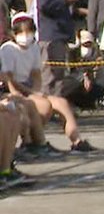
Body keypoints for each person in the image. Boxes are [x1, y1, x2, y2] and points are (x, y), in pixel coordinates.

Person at [0, 13, 96, 153]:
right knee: (43, 105)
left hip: (28, 88)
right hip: (12, 90)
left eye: (29, 32)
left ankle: (77, 141)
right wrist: (28, 93)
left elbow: (36, 74)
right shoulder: (7, 49)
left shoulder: (34, 47)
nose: (25, 36)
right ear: (14, 33)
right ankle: (34, 141)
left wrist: (35, 90)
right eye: (21, 32)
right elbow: (8, 78)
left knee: (61, 103)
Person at [36, 0, 78, 99]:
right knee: (49, 76)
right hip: (50, 35)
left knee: (59, 77)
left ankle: (57, 104)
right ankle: (46, 106)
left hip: (61, 34)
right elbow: (44, 5)